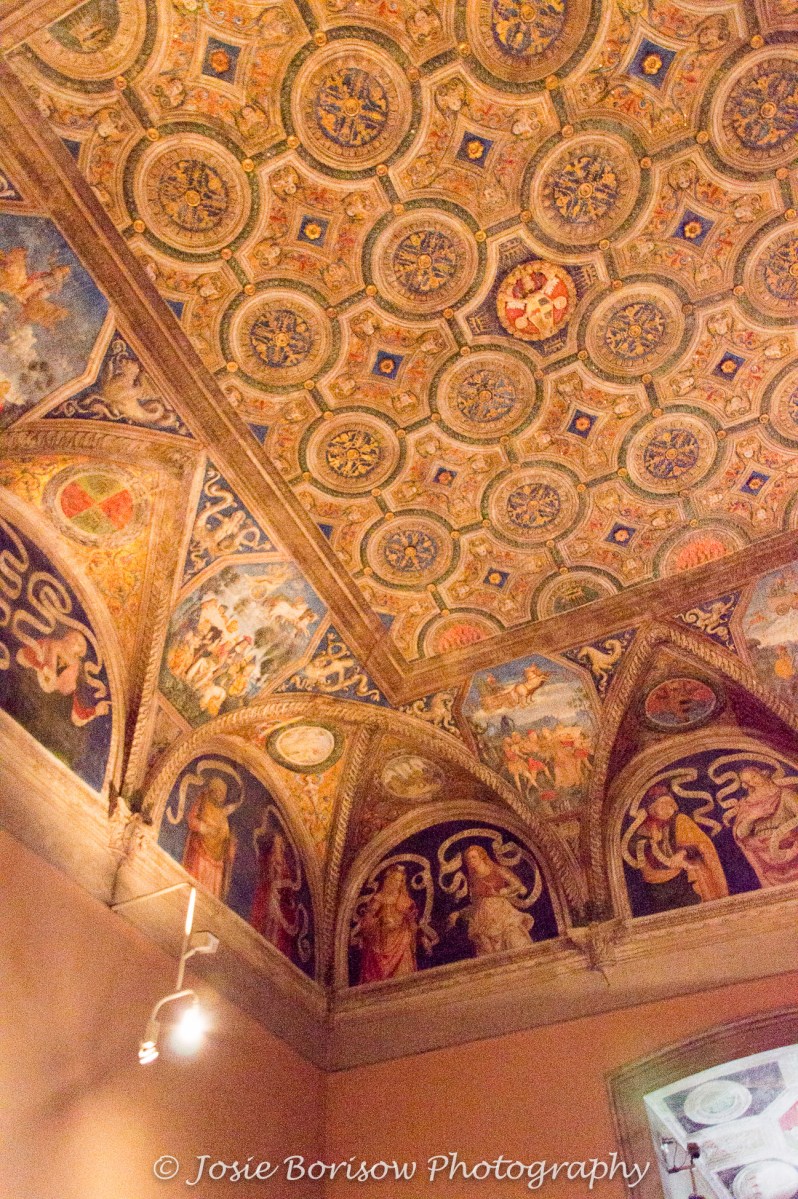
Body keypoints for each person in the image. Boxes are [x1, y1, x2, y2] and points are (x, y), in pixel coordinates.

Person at [627, 782, 728, 913]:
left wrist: (681, 854)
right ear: (652, 808)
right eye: (662, 804)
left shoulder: (681, 820)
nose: (667, 808)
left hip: (685, 879)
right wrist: (651, 842)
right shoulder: (645, 828)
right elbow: (633, 848)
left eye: (669, 804)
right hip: (657, 883)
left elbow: (702, 844)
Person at [450, 844, 534, 956]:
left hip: (502, 913)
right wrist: (459, 913)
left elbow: (517, 885)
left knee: (515, 942)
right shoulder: (473, 880)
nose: (471, 861)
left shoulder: (496, 870)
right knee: (491, 954)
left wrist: (500, 892)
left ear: (482, 857)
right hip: (484, 921)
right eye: (468, 859)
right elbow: (476, 905)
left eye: (473, 857)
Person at [731, 766, 798, 888]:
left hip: (789, 845)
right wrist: (754, 817)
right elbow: (740, 834)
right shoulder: (748, 804)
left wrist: (782, 832)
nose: (753, 782)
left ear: (762, 773)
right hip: (762, 854)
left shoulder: (784, 794)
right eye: (749, 781)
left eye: (754, 776)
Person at [357, 865, 419, 983]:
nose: (397, 883)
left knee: (403, 977)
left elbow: (413, 926)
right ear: (387, 879)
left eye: (400, 880)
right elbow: (366, 922)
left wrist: (408, 921)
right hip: (381, 940)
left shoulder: (406, 901)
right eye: (394, 879)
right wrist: (380, 922)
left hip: (401, 941)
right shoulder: (378, 899)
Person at [182, 775, 241, 900]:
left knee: (209, 897)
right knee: (192, 889)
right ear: (212, 790)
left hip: (216, 862)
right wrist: (206, 828)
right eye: (218, 790)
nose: (220, 795)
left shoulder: (223, 815)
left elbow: (225, 840)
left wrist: (230, 844)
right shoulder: (203, 802)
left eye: (223, 793)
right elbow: (191, 820)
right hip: (200, 852)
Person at [250, 825, 300, 956]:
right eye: (274, 850)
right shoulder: (267, 865)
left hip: (279, 915)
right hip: (267, 903)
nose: (277, 858)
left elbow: (289, 894)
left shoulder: (287, 871)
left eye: (281, 849)